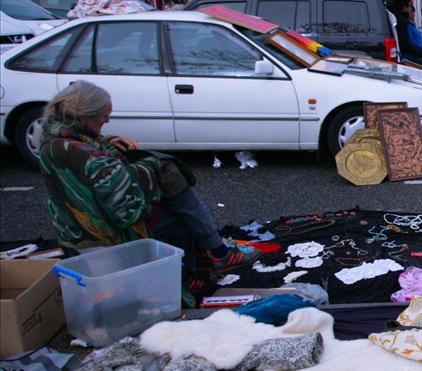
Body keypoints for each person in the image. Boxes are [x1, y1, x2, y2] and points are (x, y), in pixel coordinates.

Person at [37, 81, 259, 294]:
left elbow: (91, 154)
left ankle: (213, 254)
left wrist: (107, 142)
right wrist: (151, 166)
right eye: (103, 119)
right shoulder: (75, 150)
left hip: (83, 219)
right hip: (98, 229)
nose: (106, 123)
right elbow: (120, 196)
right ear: (85, 116)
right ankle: (204, 264)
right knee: (174, 201)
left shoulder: (58, 134)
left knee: (173, 190)